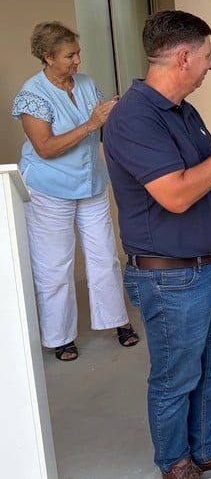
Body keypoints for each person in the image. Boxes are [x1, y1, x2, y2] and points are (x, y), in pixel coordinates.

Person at [103, 10, 211, 478]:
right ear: (183, 57)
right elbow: (176, 194)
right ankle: (175, 463)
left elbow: (210, 183)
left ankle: (205, 447)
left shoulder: (184, 110)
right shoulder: (133, 118)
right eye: (206, 55)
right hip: (170, 276)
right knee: (176, 378)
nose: (210, 63)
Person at [11, 21, 138, 362]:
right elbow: (46, 148)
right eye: (70, 56)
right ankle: (59, 337)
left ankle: (117, 321)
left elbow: (102, 127)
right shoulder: (32, 96)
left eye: (78, 53)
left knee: (105, 256)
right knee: (55, 264)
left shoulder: (86, 84)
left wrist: (115, 118)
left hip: (91, 182)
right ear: (47, 56)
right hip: (48, 187)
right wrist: (92, 123)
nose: (77, 61)